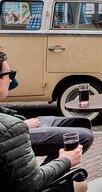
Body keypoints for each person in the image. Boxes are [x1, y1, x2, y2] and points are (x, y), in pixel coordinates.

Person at [0, 51, 87, 192]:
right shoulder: (11, 130)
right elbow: (33, 184)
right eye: (9, 75)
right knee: (80, 184)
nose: (11, 81)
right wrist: (65, 160)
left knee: (81, 126)